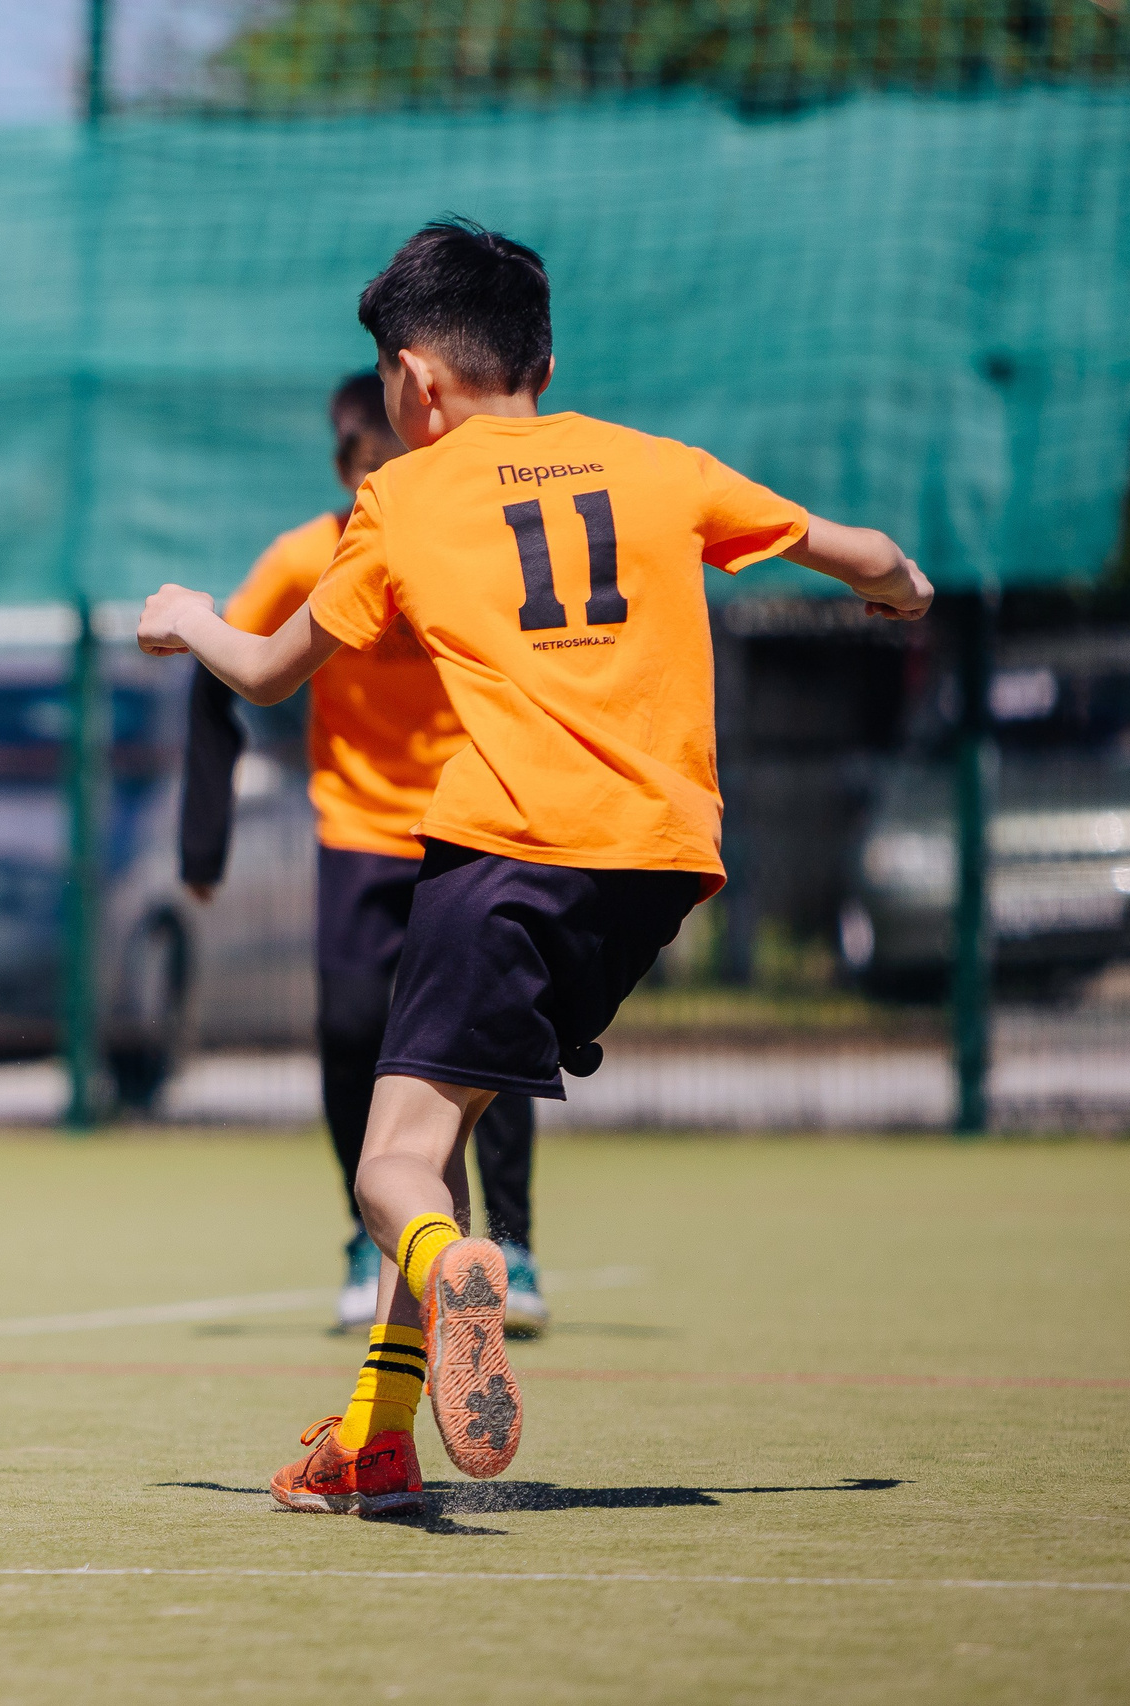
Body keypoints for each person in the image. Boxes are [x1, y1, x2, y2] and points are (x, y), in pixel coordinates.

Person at [138, 219, 931, 1515]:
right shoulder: (659, 467)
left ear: (417, 381)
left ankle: (460, 1262)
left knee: (394, 1169)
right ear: (541, 358)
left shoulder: (401, 495)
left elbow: (273, 668)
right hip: (658, 871)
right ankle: (379, 1440)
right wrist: (903, 590)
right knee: (437, 1121)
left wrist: (189, 621)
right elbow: (862, 553)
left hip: (503, 849)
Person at [180, 372, 545, 1338]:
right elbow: (228, 663)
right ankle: (368, 1230)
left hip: (473, 823)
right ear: (347, 465)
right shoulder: (309, 555)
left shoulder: (471, 536)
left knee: (487, 1040)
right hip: (357, 829)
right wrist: (203, 838)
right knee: (350, 1030)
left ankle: (509, 1240)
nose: (392, 474)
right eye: (370, 465)